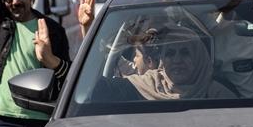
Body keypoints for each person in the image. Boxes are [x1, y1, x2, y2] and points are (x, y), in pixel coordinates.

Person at [91, 25, 237, 102]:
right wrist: (89, 29)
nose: (177, 60)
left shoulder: (219, 95)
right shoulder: (146, 85)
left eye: (185, 52)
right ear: (162, 59)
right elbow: (97, 90)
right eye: (170, 53)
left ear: (199, 58)